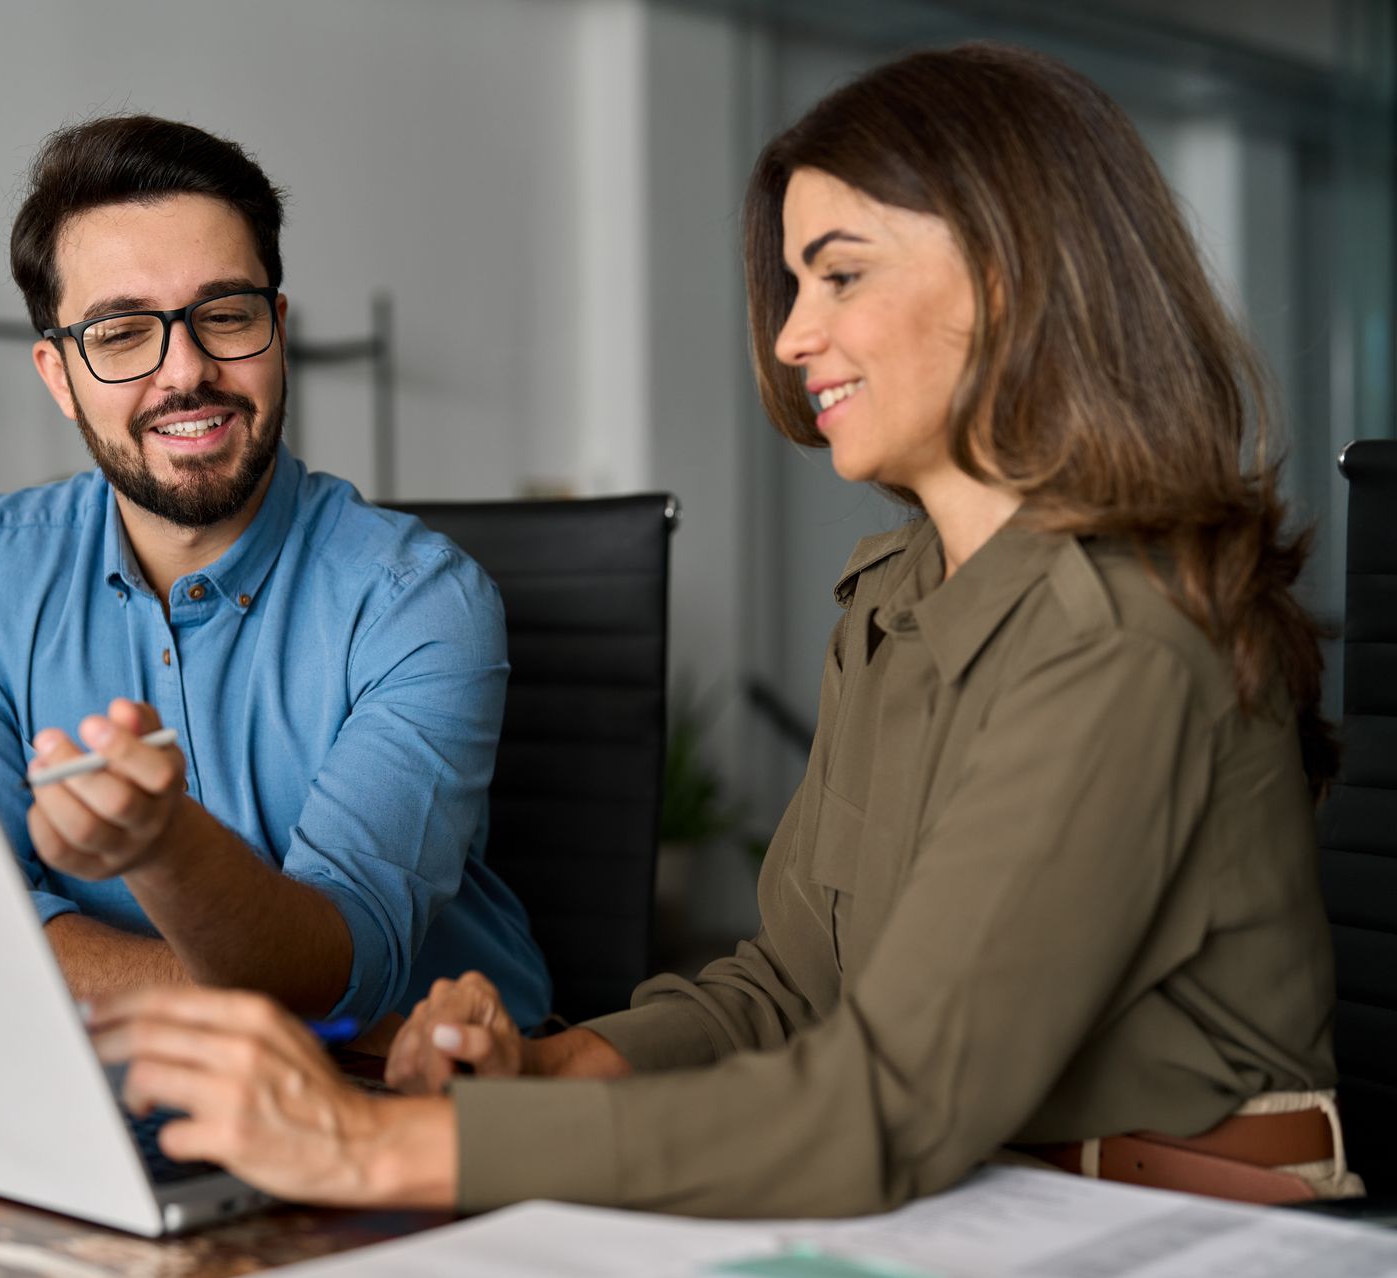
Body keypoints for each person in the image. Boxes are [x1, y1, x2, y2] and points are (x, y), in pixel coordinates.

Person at [86, 44, 1363, 1216]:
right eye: (795, 281)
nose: (793, 333)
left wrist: (368, 1146)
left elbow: (887, 1102)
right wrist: (553, 1064)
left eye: (842, 275)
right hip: (984, 1198)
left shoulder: (1121, 633)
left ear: (1014, 276)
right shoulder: (899, 599)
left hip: (1184, 1221)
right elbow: (790, 984)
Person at [0, 115, 550, 1035]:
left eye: (224, 315)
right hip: (102, 1081)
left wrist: (159, 855)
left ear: (276, 330)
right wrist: (204, 1003)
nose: (186, 372)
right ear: (59, 375)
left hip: (411, 1097)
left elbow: (340, 967)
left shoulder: (424, 603)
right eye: (120, 333)